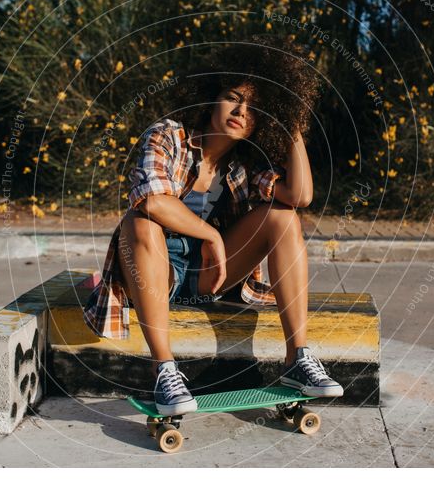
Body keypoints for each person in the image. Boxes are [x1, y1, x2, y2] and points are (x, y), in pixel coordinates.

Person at [82, 35, 343, 415]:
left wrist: (291, 123)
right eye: (234, 97)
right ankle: (165, 371)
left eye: (255, 108)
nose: (241, 110)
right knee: (138, 222)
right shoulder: (168, 135)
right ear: (212, 96)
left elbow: (299, 195)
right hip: (153, 274)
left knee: (283, 217)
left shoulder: (243, 165)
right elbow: (152, 199)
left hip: (208, 277)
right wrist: (210, 235)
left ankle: (297, 360)